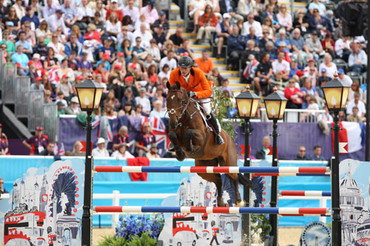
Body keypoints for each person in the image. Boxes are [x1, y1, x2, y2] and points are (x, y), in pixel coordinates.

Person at [169, 56, 224, 145]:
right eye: (181, 68)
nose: (183, 70)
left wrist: (196, 94)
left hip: (200, 94)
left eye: (185, 68)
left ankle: (217, 134)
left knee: (207, 111)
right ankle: (174, 139)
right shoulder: (173, 74)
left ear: (190, 68)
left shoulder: (198, 73)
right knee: (175, 111)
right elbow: (172, 90)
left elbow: (208, 91)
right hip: (183, 97)